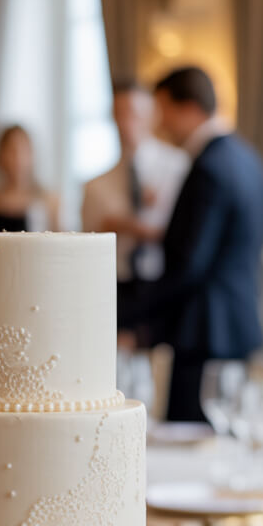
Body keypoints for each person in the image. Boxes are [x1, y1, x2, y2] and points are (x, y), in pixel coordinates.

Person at [140, 66, 263, 422]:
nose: (160, 123)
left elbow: (189, 263)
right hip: (237, 327)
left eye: (163, 110)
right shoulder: (249, 160)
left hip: (204, 332)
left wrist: (128, 315)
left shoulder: (210, 166)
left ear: (190, 107)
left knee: (192, 450)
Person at [82, 81, 188, 342]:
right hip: (116, 287)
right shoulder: (96, 185)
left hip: (163, 284)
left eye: (134, 112)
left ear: (151, 116)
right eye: (120, 113)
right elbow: (86, 249)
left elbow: (190, 233)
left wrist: (130, 226)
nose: (127, 121)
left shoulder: (178, 168)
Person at [0, 125, 59, 233]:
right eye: (12, 151)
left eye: (24, 150)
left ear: (32, 154)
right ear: (0, 155)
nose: (18, 158)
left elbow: (60, 244)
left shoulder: (49, 201)